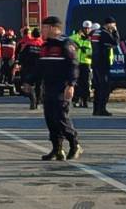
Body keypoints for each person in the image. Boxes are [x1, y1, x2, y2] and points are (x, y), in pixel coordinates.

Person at [37, 16, 81, 161]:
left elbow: (73, 65)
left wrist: (71, 84)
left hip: (61, 87)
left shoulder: (66, 44)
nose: (41, 30)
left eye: (43, 27)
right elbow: (40, 67)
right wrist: (28, 81)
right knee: (50, 119)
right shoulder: (45, 46)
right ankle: (57, 148)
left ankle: (75, 145)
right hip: (48, 87)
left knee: (61, 118)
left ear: (52, 28)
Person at [91, 17, 119, 116]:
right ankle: (102, 109)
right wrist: (115, 31)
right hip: (102, 63)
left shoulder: (95, 33)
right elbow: (116, 42)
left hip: (95, 62)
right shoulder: (105, 33)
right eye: (113, 24)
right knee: (104, 87)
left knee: (97, 87)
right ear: (109, 24)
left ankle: (96, 109)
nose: (114, 26)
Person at [18, 27, 44, 110]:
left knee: (28, 85)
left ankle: (33, 100)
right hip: (40, 68)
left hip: (28, 68)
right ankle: (37, 101)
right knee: (39, 85)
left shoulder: (28, 44)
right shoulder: (43, 44)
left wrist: (19, 63)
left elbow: (21, 55)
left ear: (32, 34)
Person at [70, 21, 94, 109]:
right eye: (85, 28)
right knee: (76, 82)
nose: (87, 30)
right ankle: (76, 100)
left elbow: (94, 50)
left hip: (87, 63)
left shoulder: (92, 38)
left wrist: (88, 53)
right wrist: (77, 35)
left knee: (86, 83)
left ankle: (85, 100)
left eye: (88, 28)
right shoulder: (77, 37)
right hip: (77, 63)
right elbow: (69, 39)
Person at [0, 29, 18, 95]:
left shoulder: (2, 42)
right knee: (8, 76)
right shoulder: (13, 43)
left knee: (5, 76)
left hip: (7, 61)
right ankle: (9, 91)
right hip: (9, 61)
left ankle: (3, 92)